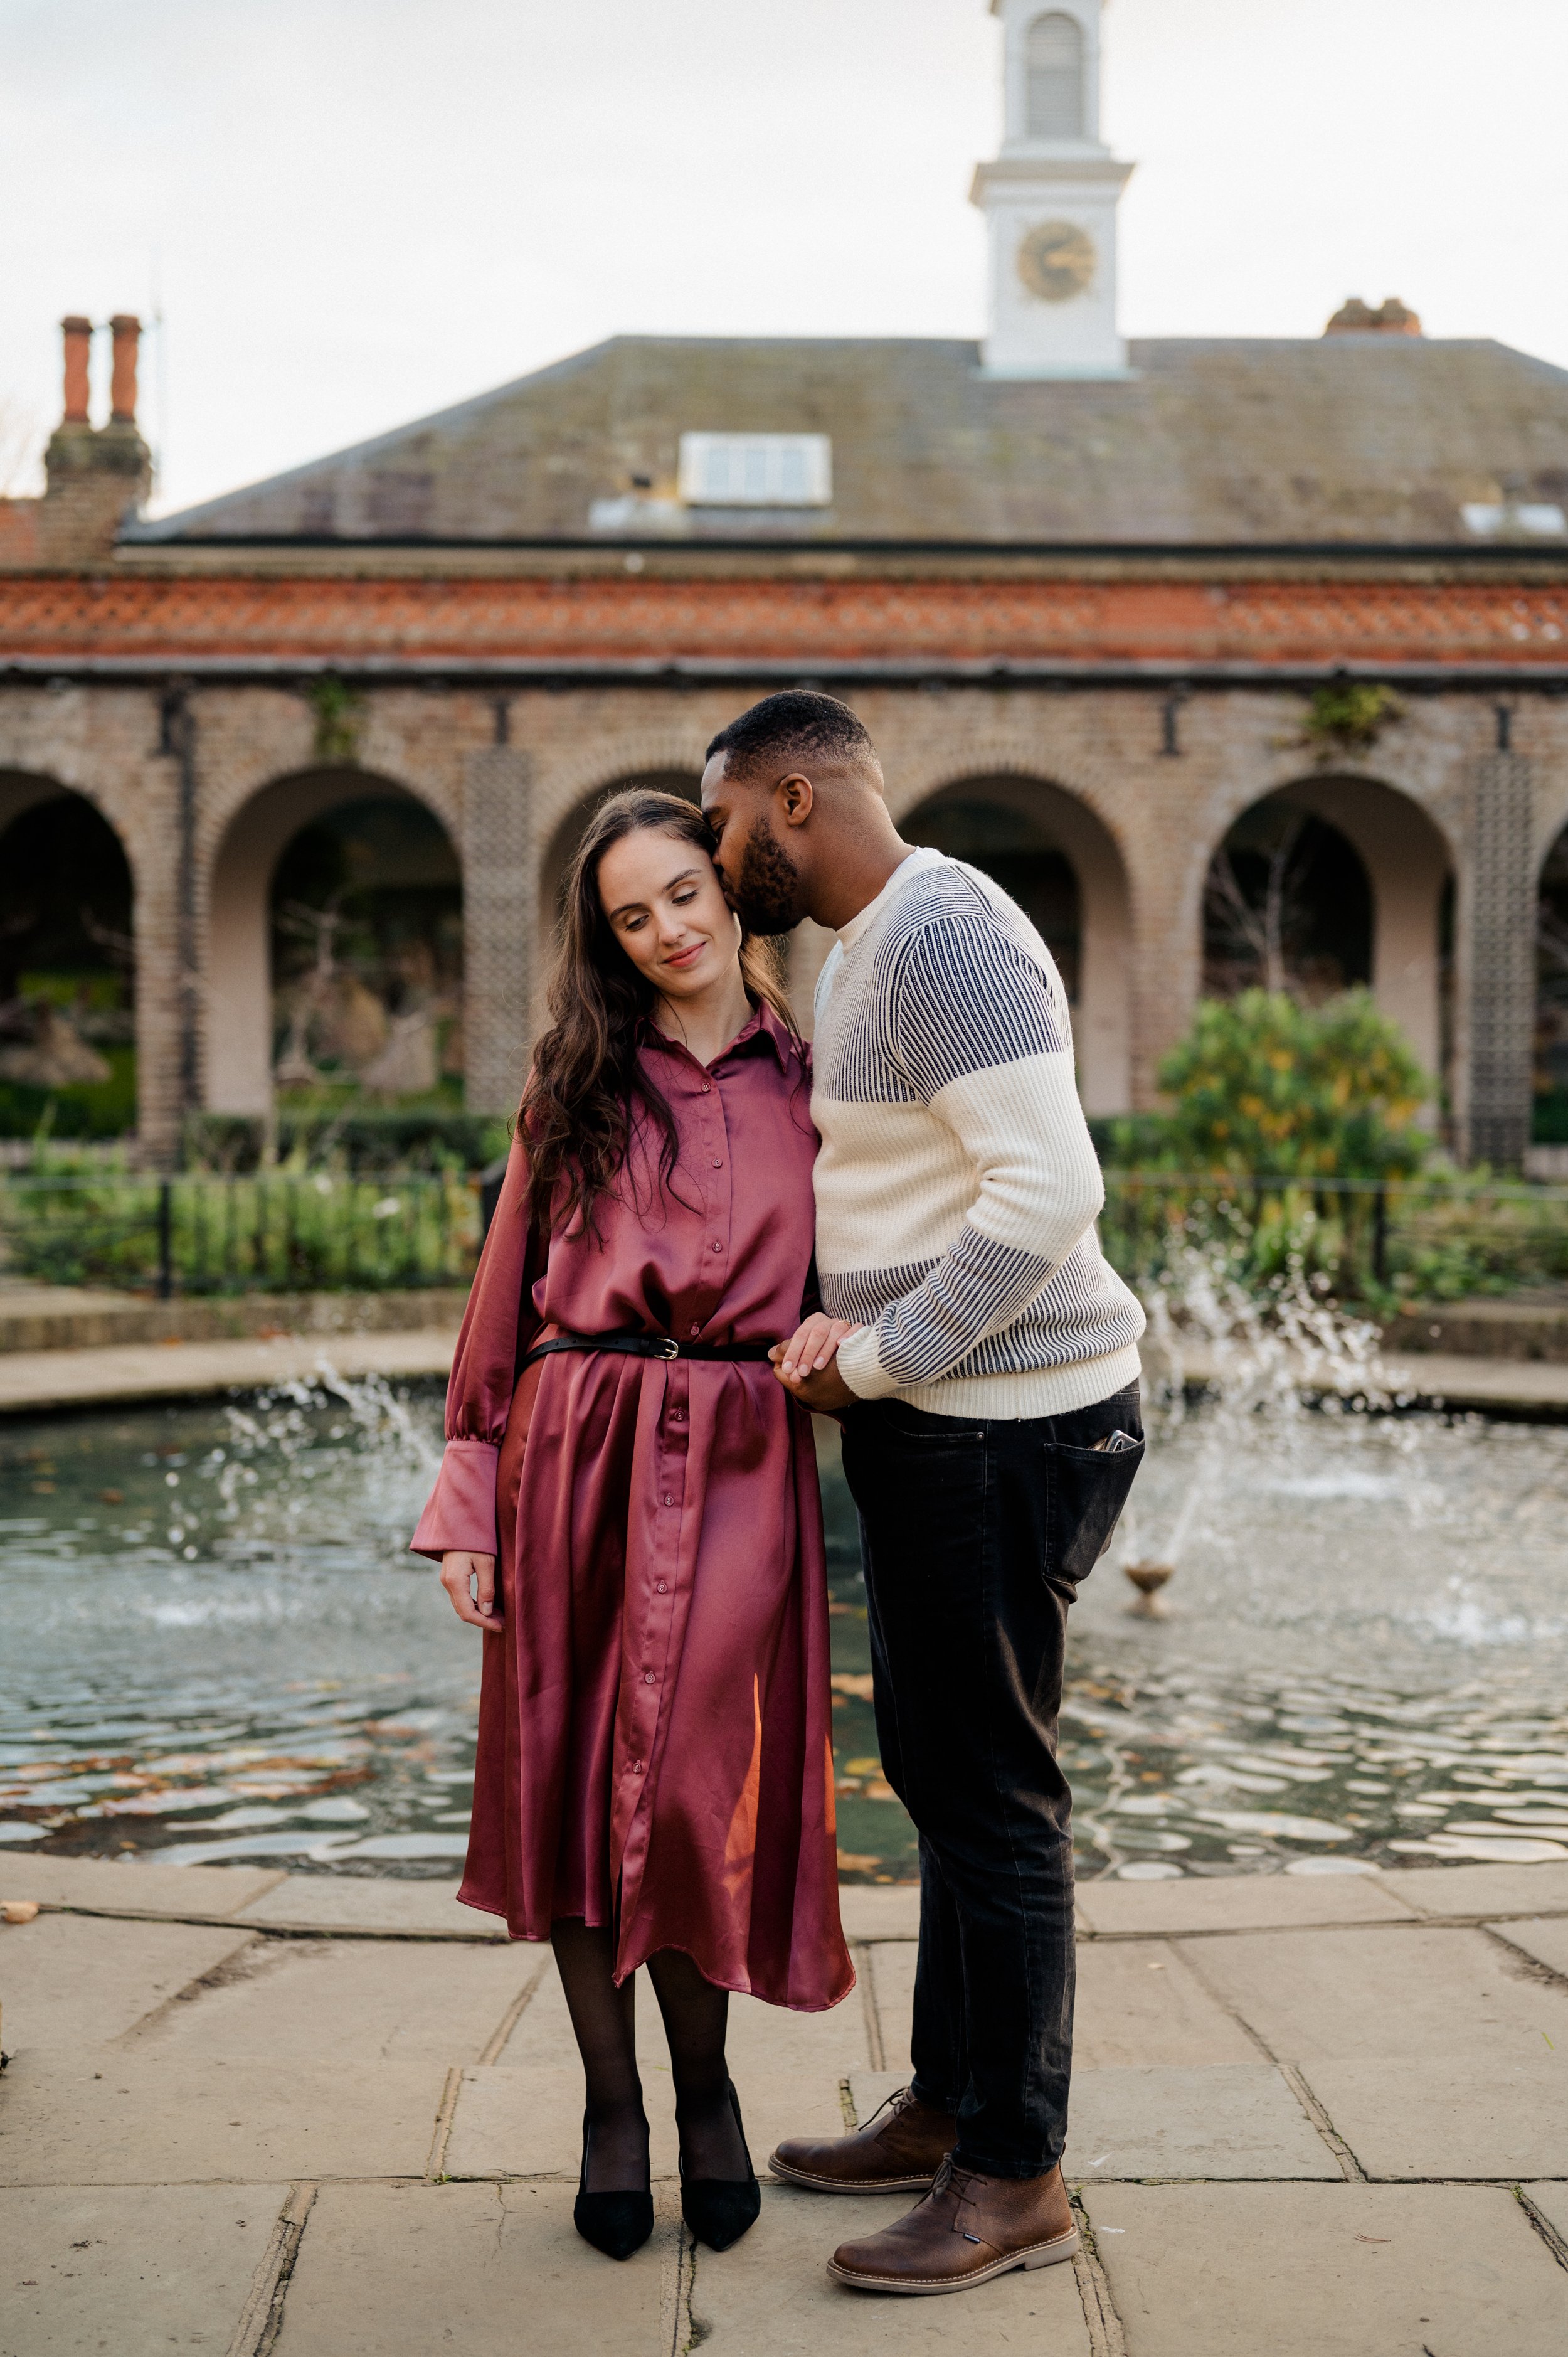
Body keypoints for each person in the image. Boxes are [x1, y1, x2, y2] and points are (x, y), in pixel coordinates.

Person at [701, 693, 1147, 2298]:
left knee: (996, 1803)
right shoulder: (872, 940)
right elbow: (917, 1184)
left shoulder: (940, 929)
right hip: (949, 1421)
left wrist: (879, 1357)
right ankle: (949, 2104)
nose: (717, 852)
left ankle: (1014, 2173)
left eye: (727, 823)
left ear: (796, 796)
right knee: (950, 1778)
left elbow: (1050, 1189)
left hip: (1000, 1424)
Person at [410, 787, 851, 2265]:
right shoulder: (574, 1081)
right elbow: (496, 1309)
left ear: (730, 896)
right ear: (605, 937)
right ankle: (615, 2107)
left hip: (740, 1453)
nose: (667, 928)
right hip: (575, 1449)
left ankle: (709, 2088)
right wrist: (470, 1497)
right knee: (575, 1790)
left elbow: (870, 1261)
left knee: (688, 1791)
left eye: (683, 893)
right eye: (631, 913)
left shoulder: (820, 1081)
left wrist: (853, 1350)